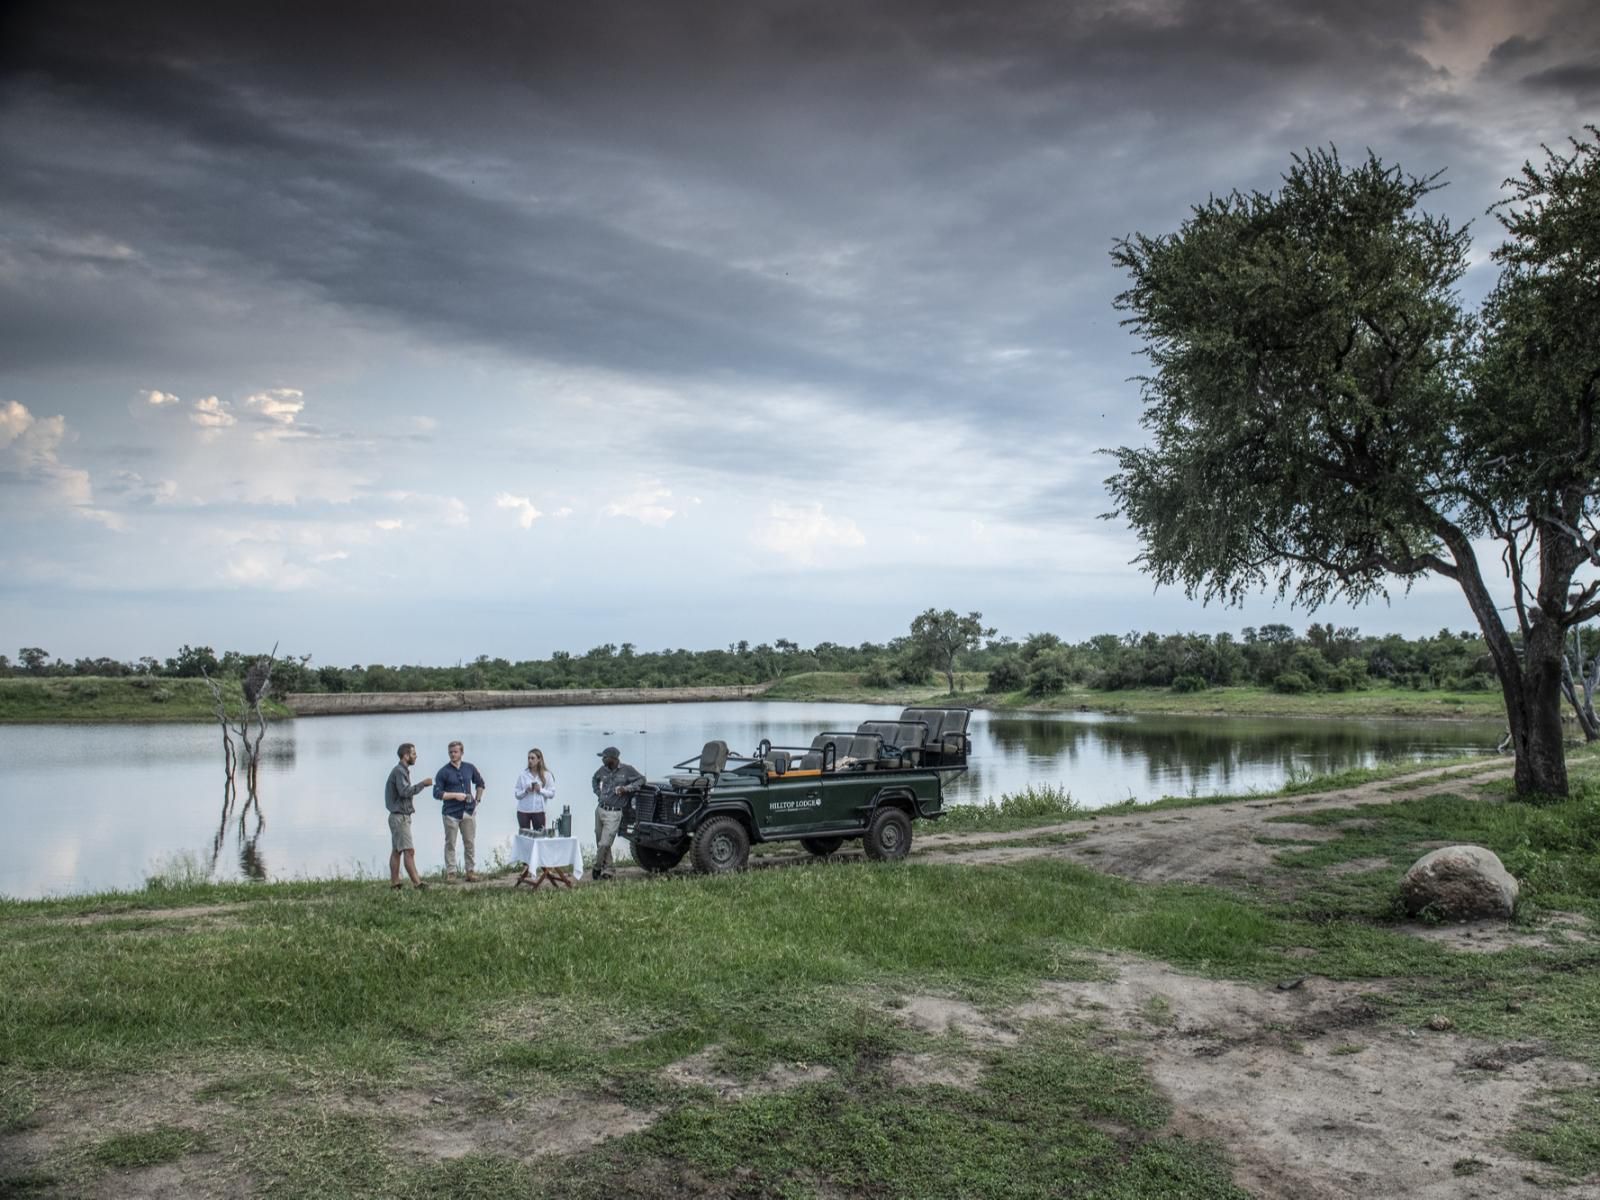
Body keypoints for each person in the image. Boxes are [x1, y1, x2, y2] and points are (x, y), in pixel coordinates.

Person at [433, 739, 486, 882]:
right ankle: (451, 873)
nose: (452, 754)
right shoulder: (443, 772)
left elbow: (480, 783)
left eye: (455, 752)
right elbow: (437, 794)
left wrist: (477, 801)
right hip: (450, 813)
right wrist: (455, 795)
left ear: (462, 753)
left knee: (469, 842)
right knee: (450, 843)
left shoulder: (469, 768)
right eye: (450, 752)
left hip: (468, 812)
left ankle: (470, 871)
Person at [590, 745, 644, 881]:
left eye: (604, 757)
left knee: (605, 843)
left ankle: (596, 867)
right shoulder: (602, 770)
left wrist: (626, 788)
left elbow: (642, 779)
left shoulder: (627, 770)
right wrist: (598, 793)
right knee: (599, 840)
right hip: (600, 810)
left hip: (614, 813)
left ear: (613, 759)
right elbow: (594, 780)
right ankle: (608, 869)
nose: (602, 759)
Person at [384, 742, 433, 891]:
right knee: (409, 851)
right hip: (400, 817)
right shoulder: (399, 771)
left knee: (397, 851)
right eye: (413, 753)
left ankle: (395, 883)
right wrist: (423, 784)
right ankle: (417, 883)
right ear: (406, 756)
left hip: (396, 816)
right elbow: (405, 792)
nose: (415, 756)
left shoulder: (401, 770)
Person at [513, 748, 556, 884]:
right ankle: (526, 866)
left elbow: (552, 793)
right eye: (529, 758)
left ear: (539, 760)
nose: (530, 761)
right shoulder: (523, 775)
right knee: (525, 838)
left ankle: (543, 865)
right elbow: (516, 794)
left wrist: (540, 790)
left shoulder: (547, 775)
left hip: (538, 810)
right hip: (523, 810)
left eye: (533, 758)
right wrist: (526, 790)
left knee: (540, 837)